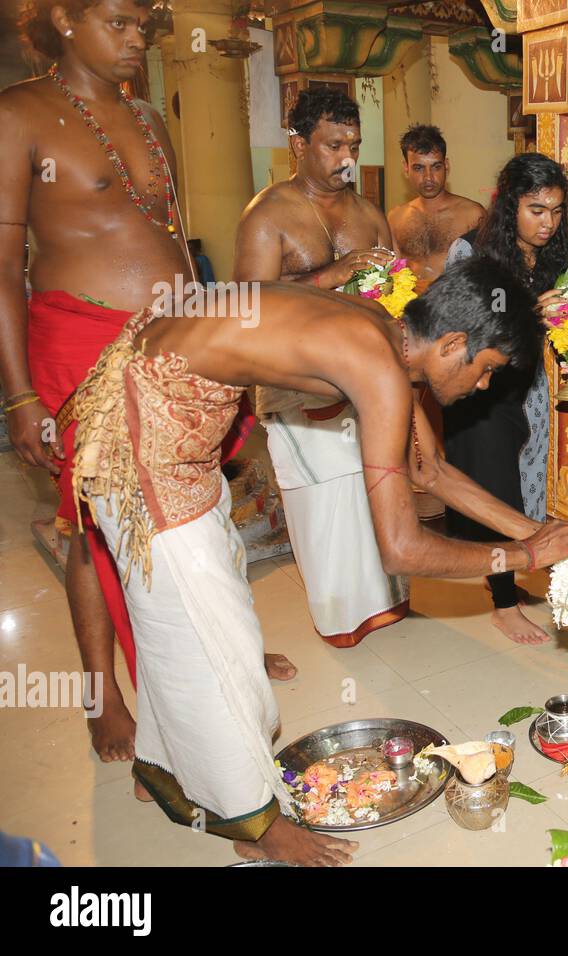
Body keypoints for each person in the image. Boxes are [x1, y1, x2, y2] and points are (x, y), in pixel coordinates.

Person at [70, 259, 568, 864]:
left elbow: (430, 471)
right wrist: (527, 555)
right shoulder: (380, 366)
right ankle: (257, 829)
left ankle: (160, 772)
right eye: (486, 371)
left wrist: (545, 534)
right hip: (146, 434)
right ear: (452, 344)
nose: (481, 388)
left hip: (163, 400)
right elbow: (401, 547)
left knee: (182, 624)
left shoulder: (389, 334)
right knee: (212, 638)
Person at [0, 0, 287, 765]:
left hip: (172, 336)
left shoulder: (150, 117)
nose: (137, 41)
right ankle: (105, 696)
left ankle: (228, 646)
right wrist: (20, 395)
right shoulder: (19, 114)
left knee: (200, 502)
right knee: (96, 525)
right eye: (120, 23)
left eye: (143, 28)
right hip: (77, 340)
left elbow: (178, 241)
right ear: (63, 18)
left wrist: (213, 340)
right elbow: (1, 268)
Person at [234, 87, 409, 648]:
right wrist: (331, 276)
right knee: (326, 501)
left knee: (374, 485)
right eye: (333, 145)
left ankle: (389, 599)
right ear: (299, 144)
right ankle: (340, 617)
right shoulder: (269, 214)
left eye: (354, 144)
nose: (347, 158)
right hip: (293, 381)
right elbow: (248, 305)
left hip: (364, 376)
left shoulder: (369, 213)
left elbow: (394, 293)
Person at [441, 154, 568, 643]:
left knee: (526, 490)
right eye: (536, 210)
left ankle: (508, 575)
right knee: (494, 494)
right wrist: (529, 310)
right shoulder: (471, 253)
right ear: (510, 206)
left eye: (556, 211)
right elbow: (458, 327)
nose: (548, 223)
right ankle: (503, 604)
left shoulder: (556, 257)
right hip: (478, 393)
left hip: (530, 392)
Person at [387, 124, 485, 281]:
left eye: (436, 167)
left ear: (446, 166)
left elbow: (491, 271)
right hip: (408, 302)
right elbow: (391, 273)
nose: (428, 178)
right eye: (418, 168)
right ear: (406, 169)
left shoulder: (473, 215)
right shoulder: (395, 218)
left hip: (454, 302)